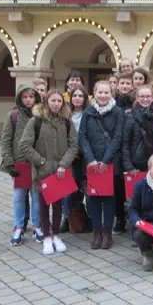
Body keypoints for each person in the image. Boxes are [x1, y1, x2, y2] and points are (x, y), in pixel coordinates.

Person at [19, 89, 79, 255]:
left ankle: (56, 236)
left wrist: (63, 164)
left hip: (60, 171)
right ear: (46, 102)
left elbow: (74, 145)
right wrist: (41, 161)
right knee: (43, 205)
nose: (56, 104)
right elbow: (24, 145)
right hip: (42, 171)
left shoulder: (67, 122)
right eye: (53, 100)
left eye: (59, 101)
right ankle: (46, 237)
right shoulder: (36, 121)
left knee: (59, 205)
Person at [79, 81, 124, 250]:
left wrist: (105, 160)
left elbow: (118, 137)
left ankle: (107, 233)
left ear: (111, 93)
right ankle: (97, 232)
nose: (103, 96)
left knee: (109, 198)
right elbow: (82, 136)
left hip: (109, 163)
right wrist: (91, 159)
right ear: (94, 93)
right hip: (91, 163)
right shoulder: (88, 113)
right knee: (93, 199)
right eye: (100, 92)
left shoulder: (117, 112)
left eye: (106, 92)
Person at [1, 84, 43, 246]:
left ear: (36, 98)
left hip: (36, 163)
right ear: (20, 98)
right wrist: (9, 162)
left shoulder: (41, 116)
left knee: (37, 197)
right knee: (19, 197)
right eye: (25, 97)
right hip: (20, 164)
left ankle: (37, 226)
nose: (28, 100)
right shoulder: (13, 116)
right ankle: (19, 227)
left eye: (31, 97)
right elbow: (5, 140)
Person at [61, 84, 89, 234]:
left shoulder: (89, 113)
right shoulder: (66, 114)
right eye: (75, 96)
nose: (77, 99)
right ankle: (68, 218)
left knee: (86, 188)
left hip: (85, 155)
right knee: (69, 189)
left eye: (80, 96)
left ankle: (87, 219)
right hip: (70, 156)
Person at [122, 85, 153, 175]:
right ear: (137, 98)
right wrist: (129, 167)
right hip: (136, 164)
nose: (145, 99)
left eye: (148, 96)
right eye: (142, 96)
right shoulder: (130, 116)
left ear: (152, 97)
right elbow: (125, 144)